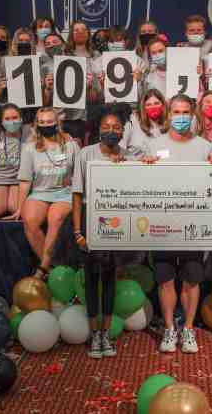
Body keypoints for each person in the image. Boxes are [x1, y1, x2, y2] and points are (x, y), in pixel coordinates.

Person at [142, 94, 212, 354]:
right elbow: (144, 184)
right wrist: (145, 168)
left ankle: (189, 328)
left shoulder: (205, 146)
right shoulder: (154, 145)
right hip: (163, 223)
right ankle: (170, 329)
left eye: (186, 112)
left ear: (192, 115)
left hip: (193, 223)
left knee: (192, 279)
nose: (181, 117)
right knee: (165, 279)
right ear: (168, 114)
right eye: (176, 112)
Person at [72, 104, 139, 358]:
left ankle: (106, 334)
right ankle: (93, 335)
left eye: (116, 128)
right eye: (106, 127)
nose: (111, 131)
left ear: (123, 131)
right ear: (98, 129)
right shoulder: (85, 155)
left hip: (116, 222)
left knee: (110, 277)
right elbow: (77, 195)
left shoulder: (125, 157)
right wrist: (78, 231)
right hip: (90, 220)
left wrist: (127, 168)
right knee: (91, 278)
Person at [10, 107, 79, 279]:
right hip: (40, 192)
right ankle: (52, 267)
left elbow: (80, 173)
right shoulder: (29, 147)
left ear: (57, 123)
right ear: (36, 124)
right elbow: (25, 180)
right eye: (41, 122)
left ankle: (42, 269)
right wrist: (20, 207)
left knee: (54, 218)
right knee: (30, 220)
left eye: (49, 122)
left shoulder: (71, 145)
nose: (45, 125)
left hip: (64, 193)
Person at [0, 104, 28, 219]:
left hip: (20, 179)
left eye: (15, 118)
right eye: (7, 119)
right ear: (2, 122)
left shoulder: (29, 132)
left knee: (15, 208)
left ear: (21, 119)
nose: (12, 122)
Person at [61, 20, 99, 145]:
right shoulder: (63, 55)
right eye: (76, 30)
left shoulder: (97, 56)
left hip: (91, 111)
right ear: (71, 33)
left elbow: (97, 94)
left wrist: (89, 87)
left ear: (89, 33)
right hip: (70, 115)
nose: (80, 32)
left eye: (83, 29)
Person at [121, 88, 169, 158]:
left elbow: (172, 151)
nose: (153, 107)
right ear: (143, 107)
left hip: (162, 165)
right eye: (148, 105)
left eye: (156, 103)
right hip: (135, 165)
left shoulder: (170, 123)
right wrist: (141, 157)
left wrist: (154, 156)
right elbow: (121, 146)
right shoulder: (132, 120)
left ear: (163, 105)